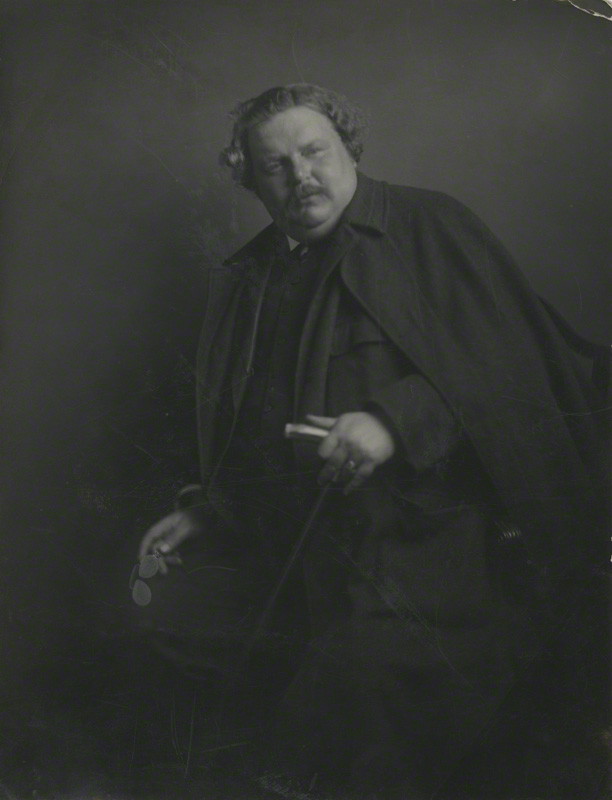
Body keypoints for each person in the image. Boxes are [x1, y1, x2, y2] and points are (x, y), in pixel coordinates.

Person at [131, 84, 608, 798]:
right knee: (171, 625)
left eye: (314, 151)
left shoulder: (431, 226)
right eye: (276, 166)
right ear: (251, 181)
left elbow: (522, 368)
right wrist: (211, 510)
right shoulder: (252, 276)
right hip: (306, 550)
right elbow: (253, 435)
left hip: (437, 548)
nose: (302, 177)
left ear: (348, 148)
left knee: (353, 719)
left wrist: (395, 422)